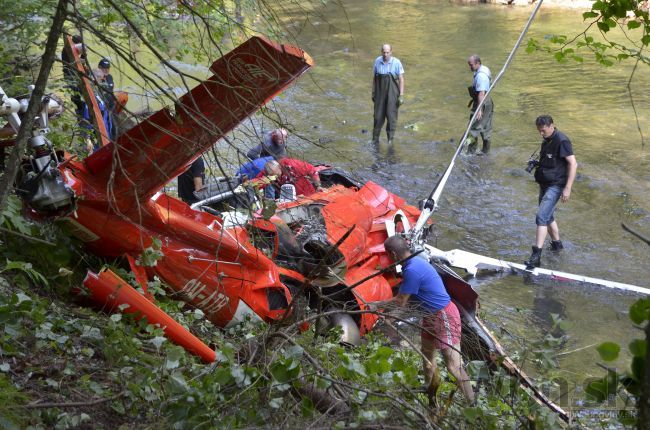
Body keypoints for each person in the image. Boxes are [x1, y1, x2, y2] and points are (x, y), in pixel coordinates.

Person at [369, 235, 474, 404]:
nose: (388, 260)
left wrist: (377, 305)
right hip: (429, 316)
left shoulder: (412, 269)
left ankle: (472, 404)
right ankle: (431, 394)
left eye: (388, 256)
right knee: (427, 358)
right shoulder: (413, 263)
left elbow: (400, 300)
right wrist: (390, 317)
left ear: (394, 255)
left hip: (444, 315)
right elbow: (410, 299)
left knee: (454, 366)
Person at [525, 115, 577, 269]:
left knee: (541, 217)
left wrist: (567, 188)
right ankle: (557, 245)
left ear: (551, 126)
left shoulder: (562, 141)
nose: (541, 133)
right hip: (545, 183)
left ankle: (536, 256)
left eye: (543, 130)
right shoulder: (546, 140)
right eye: (539, 131)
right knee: (547, 216)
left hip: (556, 184)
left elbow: (573, 164)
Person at [371, 44, 404, 145]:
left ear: (391, 52)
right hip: (379, 93)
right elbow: (374, 78)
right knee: (377, 117)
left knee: (391, 117)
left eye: (387, 52)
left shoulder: (396, 62)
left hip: (392, 94)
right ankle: (375, 139)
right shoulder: (377, 61)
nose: (385, 54)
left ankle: (390, 140)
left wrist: (401, 95)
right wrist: (373, 92)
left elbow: (401, 79)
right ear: (381, 52)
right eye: (384, 52)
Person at [465, 55, 494, 154]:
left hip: (482, 103)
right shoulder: (484, 69)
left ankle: (470, 154)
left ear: (478, 63)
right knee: (486, 128)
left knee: (473, 128)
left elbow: (481, 93)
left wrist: (479, 109)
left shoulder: (481, 76)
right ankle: (485, 152)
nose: (470, 67)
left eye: (471, 65)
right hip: (488, 102)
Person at [256, 158, 322, 198]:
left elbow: (312, 170)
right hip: (287, 196)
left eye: (276, 174)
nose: (276, 177)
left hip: (305, 191)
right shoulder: (267, 172)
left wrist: (318, 186)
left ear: (279, 167)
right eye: (273, 176)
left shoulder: (292, 165)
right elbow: (257, 183)